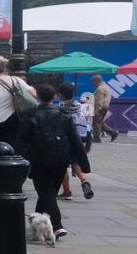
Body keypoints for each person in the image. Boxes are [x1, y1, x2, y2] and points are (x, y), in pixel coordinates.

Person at [18, 83, 87, 241]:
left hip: (38, 158)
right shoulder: (63, 114)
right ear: (54, 96)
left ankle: (57, 225)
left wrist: (19, 160)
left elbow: (22, 139)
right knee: (47, 193)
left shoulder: (29, 113)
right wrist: (83, 162)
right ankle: (37, 226)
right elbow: (75, 140)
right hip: (60, 159)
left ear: (38, 97)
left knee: (45, 193)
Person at [56, 82, 94, 200]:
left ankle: (67, 191)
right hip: (82, 138)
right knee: (75, 162)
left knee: (62, 165)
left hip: (67, 140)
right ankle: (83, 180)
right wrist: (89, 141)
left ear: (60, 95)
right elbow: (89, 124)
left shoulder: (61, 109)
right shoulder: (81, 106)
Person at [91, 75, 120, 142]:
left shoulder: (100, 89)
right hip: (105, 106)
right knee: (99, 122)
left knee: (96, 123)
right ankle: (113, 133)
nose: (93, 83)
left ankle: (97, 138)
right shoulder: (106, 87)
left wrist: (96, 110)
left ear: (97, 80)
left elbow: (99, 101)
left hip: (100, 107)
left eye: (93, 81)